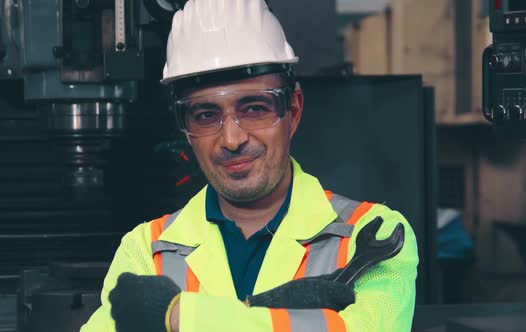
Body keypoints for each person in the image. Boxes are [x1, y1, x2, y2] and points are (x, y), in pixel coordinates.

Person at [81, 0, 418, 331]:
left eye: (254, 108)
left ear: (294, 111)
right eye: (206, 115)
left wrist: (177, 316)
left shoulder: (368, 234)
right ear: (186, 129)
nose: (231, 139)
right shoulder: (146, 248)